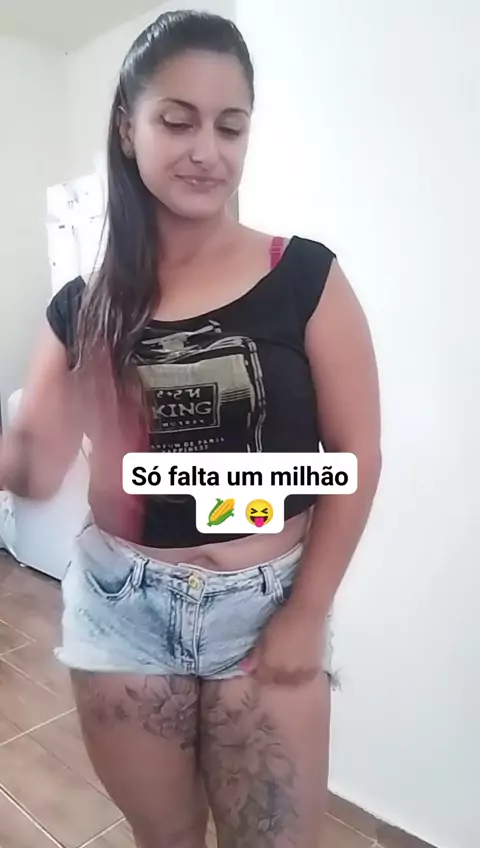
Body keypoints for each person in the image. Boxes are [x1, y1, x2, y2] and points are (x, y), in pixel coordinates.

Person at [0, 10, 381, 848]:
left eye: (230, 126)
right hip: (122, 607)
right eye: (177, 121)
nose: (207, 149)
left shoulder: (305, 277)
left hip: (268, 603)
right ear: (127, 129)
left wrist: (307, 610)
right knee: (165, 838)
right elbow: (34, 470)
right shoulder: (82, 310)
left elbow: (356, 458)